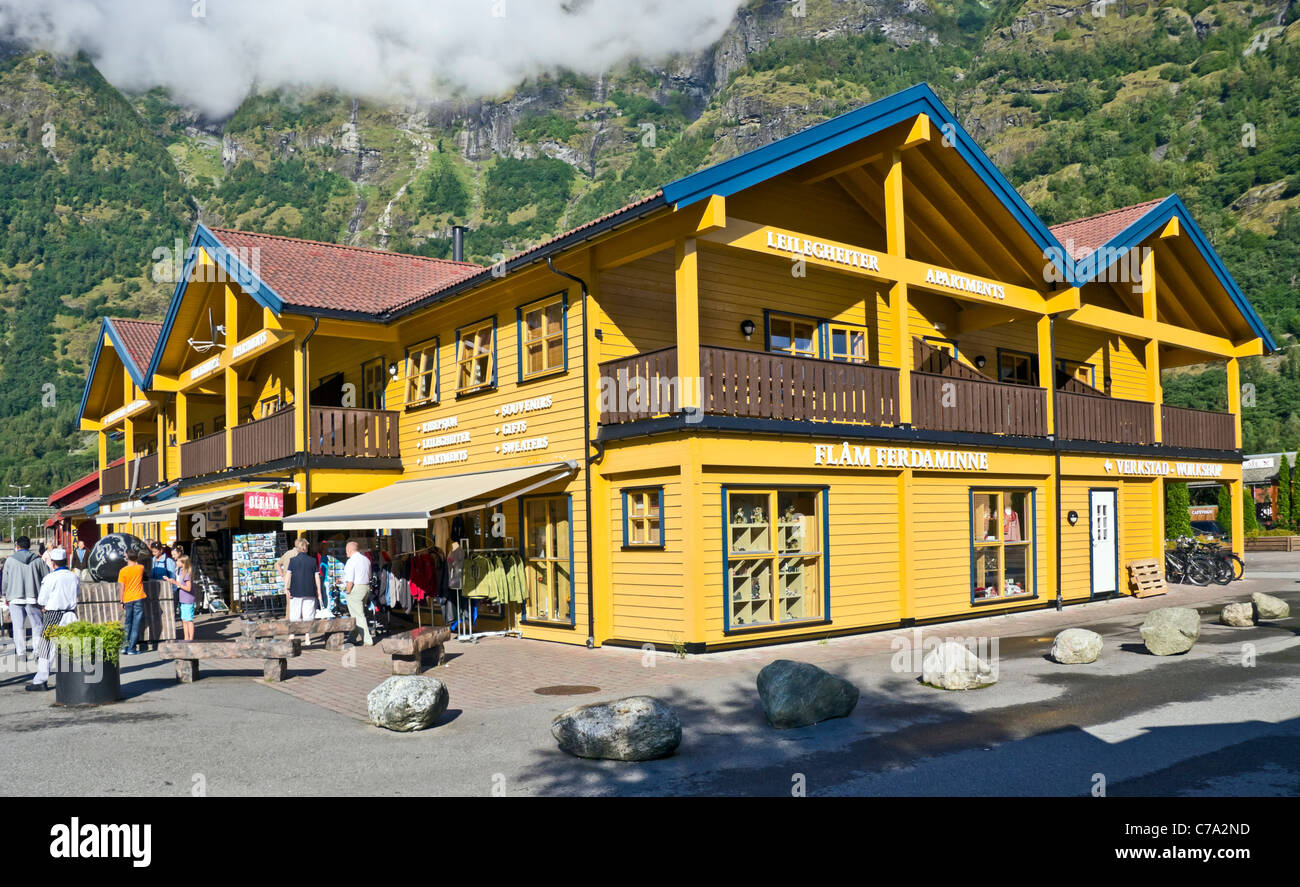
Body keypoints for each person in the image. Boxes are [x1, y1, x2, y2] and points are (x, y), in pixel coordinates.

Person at [28, 547, 79, 691]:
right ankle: (75, 678)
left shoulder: (50, 578)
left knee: (46, 649)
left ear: (53, 563)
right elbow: (77, 594)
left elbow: (42, 599)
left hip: (53, 614)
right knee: (72, 646)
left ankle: (40, 680)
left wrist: (44, 605)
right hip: (70, 613)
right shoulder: (74, 576)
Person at [2, 536, 48, 662]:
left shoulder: (10, 561)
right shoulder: (37, 560)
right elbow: (46, 577)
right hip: (34, 597)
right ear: (29, 546)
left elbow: (5, 580)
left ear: (17, 546)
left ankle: (21, 653)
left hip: (15, 597)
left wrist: (5, 594)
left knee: (18, 626)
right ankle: (37, 652)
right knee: (37, 625)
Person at [342, 539, 373, 645]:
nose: (346, 552)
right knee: (357, 614)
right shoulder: (366, 559)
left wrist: (348, 591)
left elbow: (350, 580)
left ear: (350, 550)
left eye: (346, 550)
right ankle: (352, 638)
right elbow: (369, 575)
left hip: (356, 588)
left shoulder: (351, 561)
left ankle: (367, 640)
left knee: (358, 616)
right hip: (366, 587)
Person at [284, 537, 322, 622]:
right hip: (310, 591)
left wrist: (285, 587)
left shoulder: (293, 560)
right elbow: (317, 576)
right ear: (305, 548)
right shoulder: (312, 561)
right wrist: (319, 590)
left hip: (295, 591)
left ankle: (293, 634)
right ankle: (307, 634)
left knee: (295, 614)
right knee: (308, 615)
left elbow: (288, 574)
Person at [119, 550, 147, 656]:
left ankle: (124, 647)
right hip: (138, 597)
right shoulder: (140, 568)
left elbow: (122, 587)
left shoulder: (123, 571)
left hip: (127, 598)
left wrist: (121, 600)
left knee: (128, 623)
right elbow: (139, 562)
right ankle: (132, 648)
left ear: (127, 557)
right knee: (136, 624)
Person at [166, 555, 195, 641]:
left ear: (183, 563)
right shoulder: (181, 572)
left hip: (188, 599)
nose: (176, 563)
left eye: (178, 561)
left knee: (189, 620)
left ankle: (191, 639)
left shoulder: (186, 574)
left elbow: (188, 588)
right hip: (183, 599)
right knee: (184, 620)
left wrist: (177, 583)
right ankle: (186, 638)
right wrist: (171, 581)